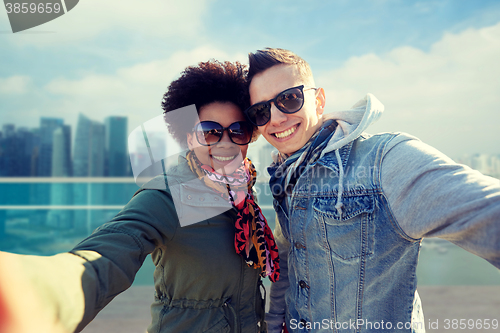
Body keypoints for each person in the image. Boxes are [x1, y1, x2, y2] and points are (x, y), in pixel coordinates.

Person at [0, 60, 280, 333]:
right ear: (188, 138)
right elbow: (108, 254)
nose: (225, 142)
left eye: (237, 131)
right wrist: (34, 294)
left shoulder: (244, 195)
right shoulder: (168, 196)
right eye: (209, 132)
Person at [244, 48, 500, 333]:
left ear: (318, 101)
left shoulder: (383, 160)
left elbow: (488, 211)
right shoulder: (286, 176)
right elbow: (290, 262)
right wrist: (274, 321)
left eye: (289, 99)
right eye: (261, 111)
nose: (276, 118)